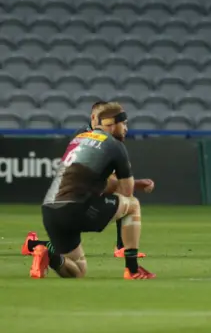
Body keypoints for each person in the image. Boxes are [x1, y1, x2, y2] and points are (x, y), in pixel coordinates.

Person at [29, 102, 156, 279]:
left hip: (50, 210)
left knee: (78, 271)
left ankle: (47, 254)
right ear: (111, 125)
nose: (126, 128)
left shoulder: (78, 139)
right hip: (78, 207)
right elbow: (126, 192)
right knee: (133, 204)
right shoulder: (115, 146)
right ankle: (132, 269)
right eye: (124, 123)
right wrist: (131, 184)